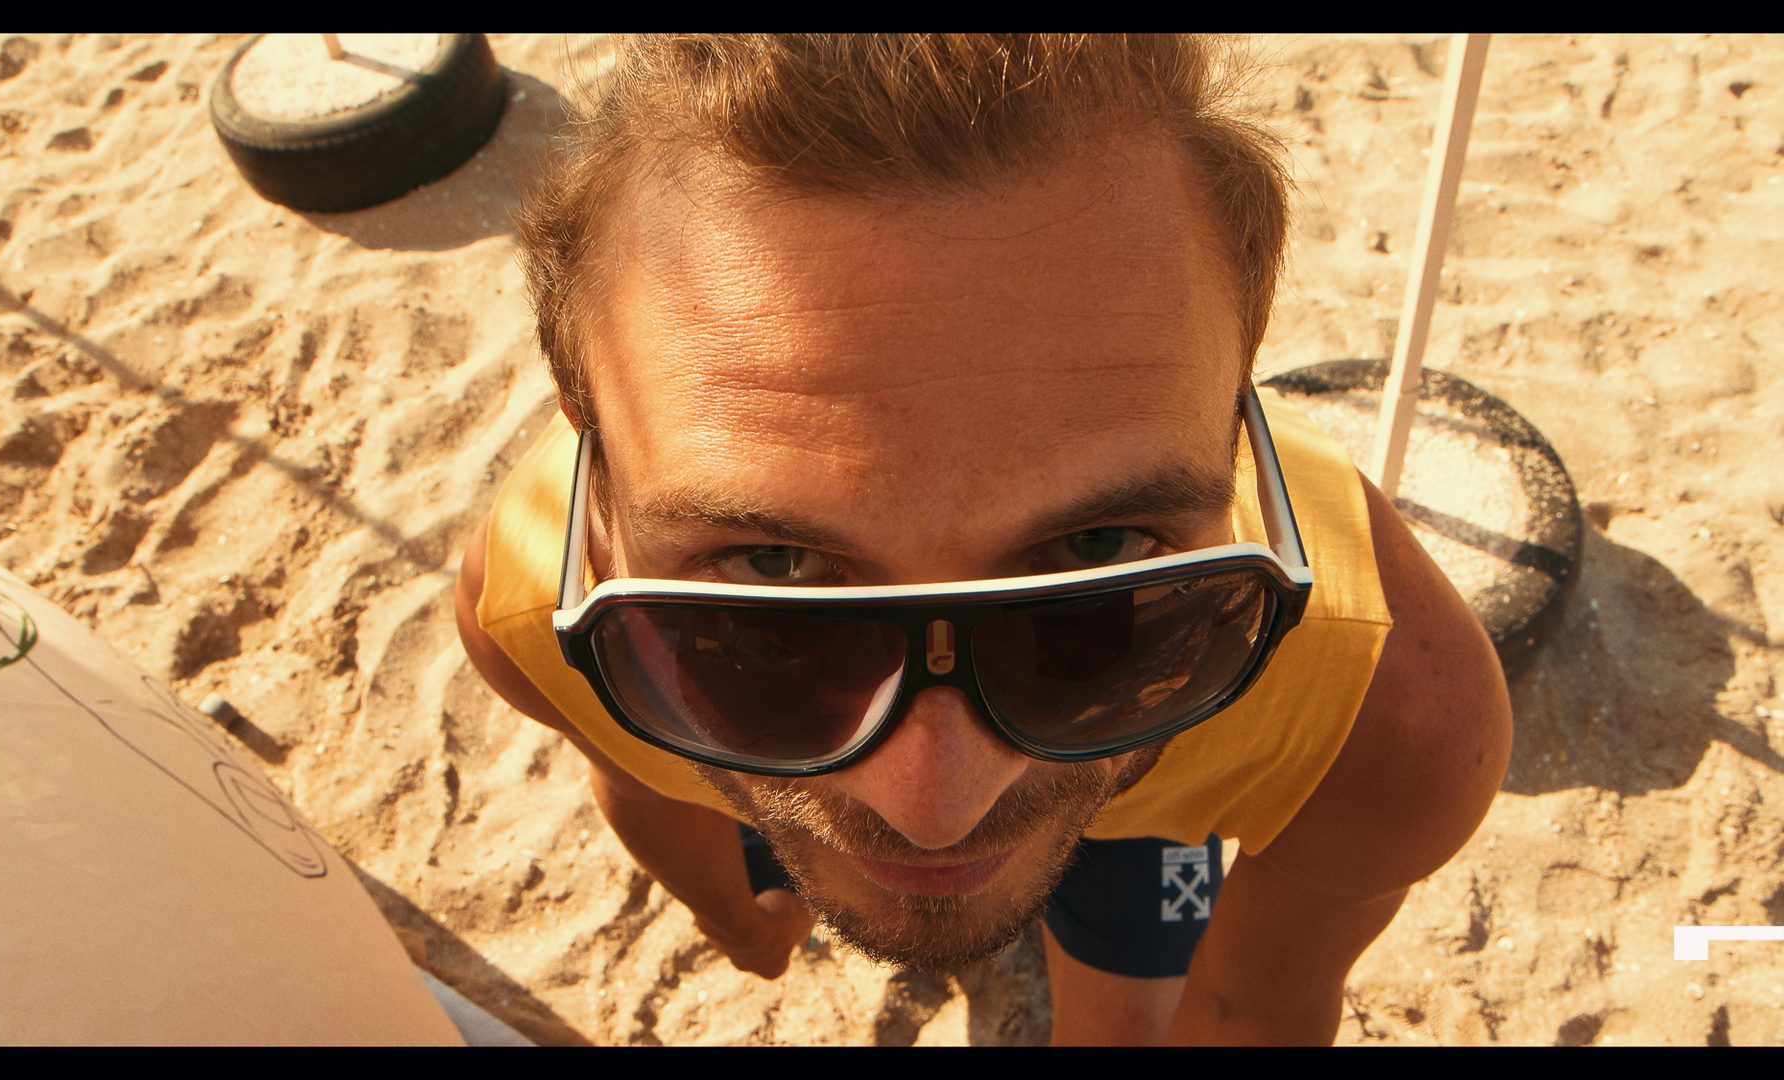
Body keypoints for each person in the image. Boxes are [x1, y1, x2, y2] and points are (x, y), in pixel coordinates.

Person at [454, 34, 1510, 1045]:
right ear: (593, 473)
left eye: (1098, 550)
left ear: (1239, 428)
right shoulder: (534, 619)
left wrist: (747, 914)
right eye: (773, 571)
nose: (940, 808)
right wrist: (740, 924)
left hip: (1138, 784)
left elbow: (1252, 1012)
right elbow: (640, 775)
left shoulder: (1381, 721)